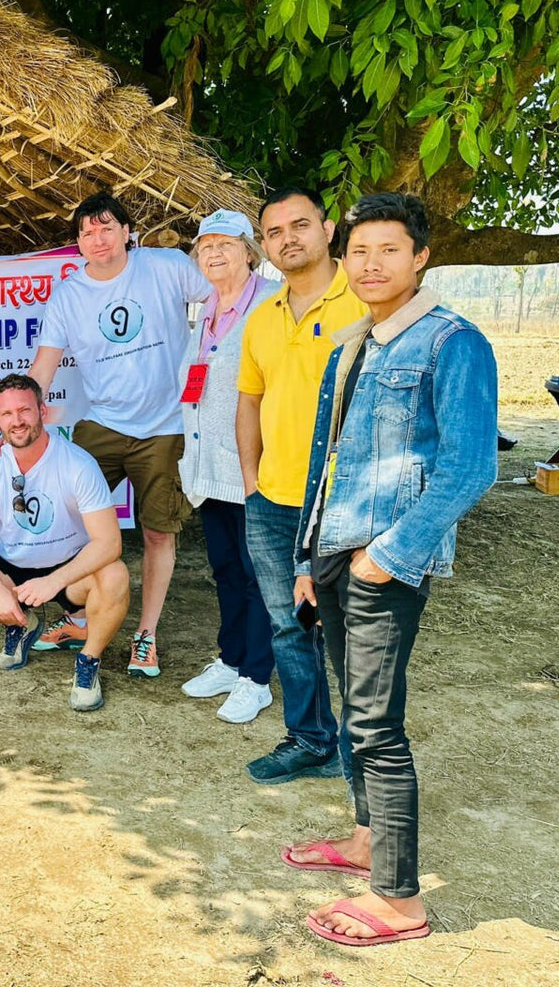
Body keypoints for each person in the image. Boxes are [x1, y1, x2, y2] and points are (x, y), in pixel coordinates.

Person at [284, 193, 496, 946]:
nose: (371, 265)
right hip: (338, 549)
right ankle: (368, 840)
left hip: (384, 559)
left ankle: (400, 902)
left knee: (376, 726)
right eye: (359, 252)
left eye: (389, 250)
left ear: (421, 257)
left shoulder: (452, 343)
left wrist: (387, 557)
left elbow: (469, 470)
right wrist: (310, 557)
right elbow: (330, 461)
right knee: (355, 712)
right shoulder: (355, 344)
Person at [29, 189, 212, 678]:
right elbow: (45, 361)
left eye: (107, 227)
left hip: (167, 426)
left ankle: (145, 634)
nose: (98, 238)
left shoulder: (166, 266)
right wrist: (26, 408)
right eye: (87, 231)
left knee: (157, 533)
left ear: (128, 232)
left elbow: (224, 295)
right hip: (103, 423)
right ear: (78, 243)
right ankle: (77, 617)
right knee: (67, 521)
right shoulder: (69, 294)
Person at [236, 187, 367, 784]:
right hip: (273, 500)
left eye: (299, 225)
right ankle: (311, 739)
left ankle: (366, 751)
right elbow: (249, 402)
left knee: (351, 630)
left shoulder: (365, 303)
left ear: (328, 228)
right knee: (291, 626)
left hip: (345, 501)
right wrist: (250, 481)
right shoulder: (261, 317)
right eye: (273, 232)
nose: (287, 238)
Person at [0, 375, 130, 711]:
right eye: (7, 414)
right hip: (14, 566)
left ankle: (89, 661)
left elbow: (110, 542)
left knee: (115, 575)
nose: (17, 421)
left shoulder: (77, 463)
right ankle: (23, 623)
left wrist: (54, 581)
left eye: (25, 410)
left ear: (42, 410)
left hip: (68, 568)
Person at [177, 210, 278, 723]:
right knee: (226, 568)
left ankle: (257, 676)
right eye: (205, 246)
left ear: (249, 251)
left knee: (260, 571)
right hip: (209, 463)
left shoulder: (270, 304)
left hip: (253, 463)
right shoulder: (206, 306)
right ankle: (232, 657)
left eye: (225, 244)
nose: (213, 254)